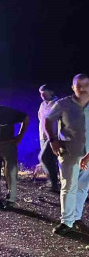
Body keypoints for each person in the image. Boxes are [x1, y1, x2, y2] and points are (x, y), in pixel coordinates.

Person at [44, 73, 89, 235]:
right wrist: (53, 140)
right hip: (69, 152)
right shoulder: (63, 104)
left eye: (86, 85)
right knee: (68, 186)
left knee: (83, 187)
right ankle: (66, 221)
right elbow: (48, 120)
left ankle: (76, 218)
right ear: (73, 87)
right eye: (79, 86)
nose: (83, 89)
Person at [37, 84, 60, 192]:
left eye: (45, 93)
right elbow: (41, 118)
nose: (43, 96)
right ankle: (53, 183)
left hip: (54, 136)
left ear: (51, 92)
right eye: (41, 94)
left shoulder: (58, 104)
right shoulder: (42, 105)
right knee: (49, 160)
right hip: (43, 136)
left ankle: (53, 183)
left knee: (44, 157)